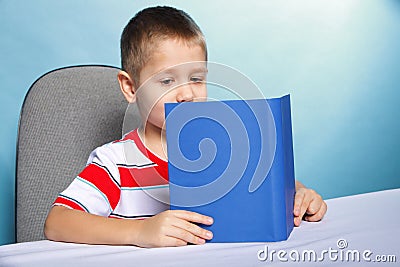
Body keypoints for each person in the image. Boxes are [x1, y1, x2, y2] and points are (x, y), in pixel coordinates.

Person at [44, 6, 327, 248]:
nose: (187, 94)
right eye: (167, 81)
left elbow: (261, 188)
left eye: (195, 78)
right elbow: (57, 222)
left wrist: (298, 195)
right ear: (131, 88)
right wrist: (139, 232)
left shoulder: (222, 148)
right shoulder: (116, 162)